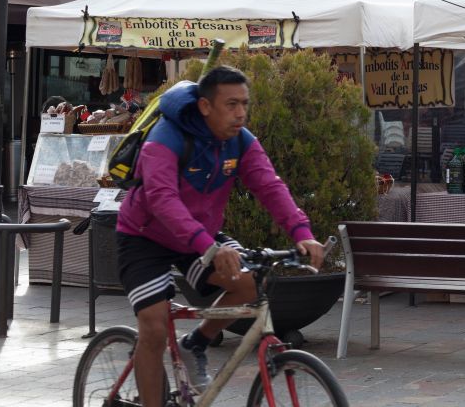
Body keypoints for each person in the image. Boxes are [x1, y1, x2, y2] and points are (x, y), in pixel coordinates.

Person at [116, 66, 325, 407]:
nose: (241, 112)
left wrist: (302, 233)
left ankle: (195, 343)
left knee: (246, 283)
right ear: (205, 106)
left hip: (200, 236)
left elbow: (269, 186)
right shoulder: (165, 138)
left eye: (245, 103)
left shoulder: (241, 141)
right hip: (145, 237)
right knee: (153, 327)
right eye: (231, 104)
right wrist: (208, 246)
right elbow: (162, 198)